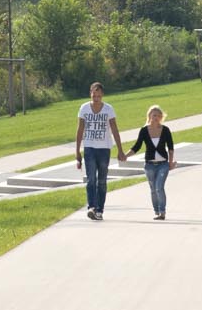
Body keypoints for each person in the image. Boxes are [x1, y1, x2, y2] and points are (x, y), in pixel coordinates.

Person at [73, 82, 125, 221]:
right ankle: (92, 207)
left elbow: (114, 129)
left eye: (98, 95)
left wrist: (120, 150)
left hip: (104, 149)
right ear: (90, 93)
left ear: (102, 94)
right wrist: (77, 151)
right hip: (89, 148)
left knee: (101, 181)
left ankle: (100, 210)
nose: (96, 97)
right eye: (93, 95)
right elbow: (79, 130)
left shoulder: (108, 109)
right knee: (91, 180)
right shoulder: (84, 108)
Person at [123, 105, 176, 220]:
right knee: (153, 189)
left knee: (159, 187)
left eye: (158, 115)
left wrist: (171, 162)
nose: (156, 117)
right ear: (149, 116)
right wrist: (125, 156)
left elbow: (170, 147)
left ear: (161, 117)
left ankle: (162, 212)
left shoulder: (165, 130)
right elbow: (137, 146)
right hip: (149, 166)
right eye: (154, 115)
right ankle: (156, 211)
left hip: (163, 164)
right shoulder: (144, 131)